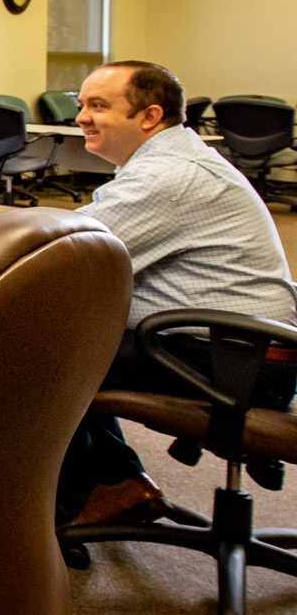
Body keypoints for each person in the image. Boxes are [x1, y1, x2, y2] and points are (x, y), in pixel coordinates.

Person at [59, 60, 297, 524]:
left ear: (149, 116)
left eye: (98, 106)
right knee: (74, 337)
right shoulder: (166, 161)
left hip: (239, 362)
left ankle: (72, 499)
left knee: (23, 351)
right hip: (240, 347)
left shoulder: (168, 175)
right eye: (82, 105)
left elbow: (64, 258)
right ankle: (117, 481)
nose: (81, 117)